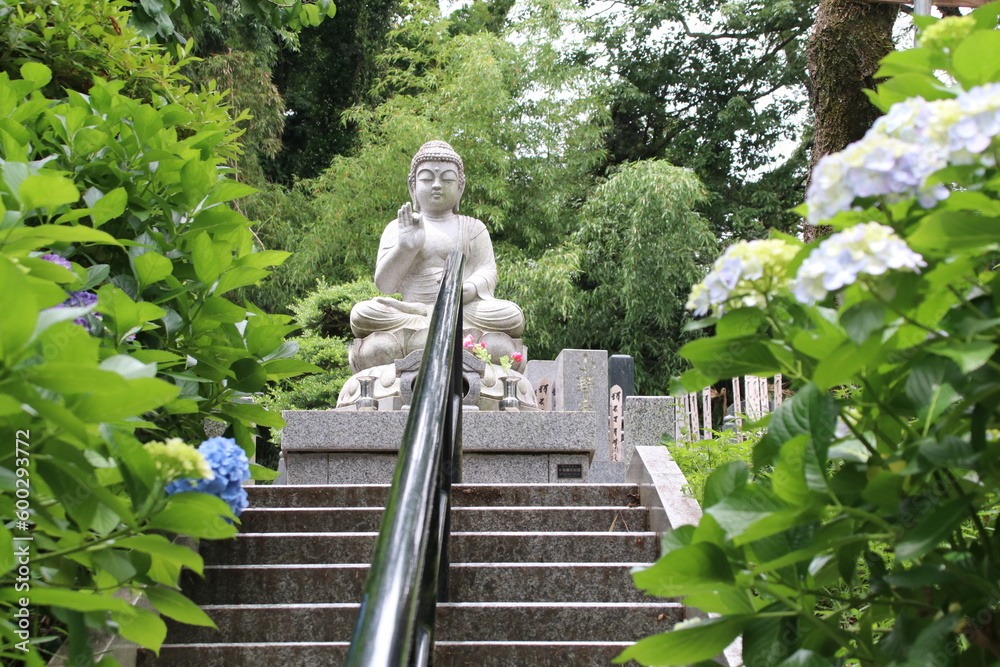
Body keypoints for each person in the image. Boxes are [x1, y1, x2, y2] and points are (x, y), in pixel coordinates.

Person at [349, 141, 524, 366]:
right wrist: (405, 248)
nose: (437, 185)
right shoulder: (399, 227)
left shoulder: (473, 227)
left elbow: (487, 271)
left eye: (447, 179)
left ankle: (428, 329)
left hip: (461, 312)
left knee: (511, 315)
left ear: (460, 187)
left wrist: (468, 289)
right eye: (427, 179)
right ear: (412, 186)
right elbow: (385, 285)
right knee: (362, 313)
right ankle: (434, 325)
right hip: (411, 311)